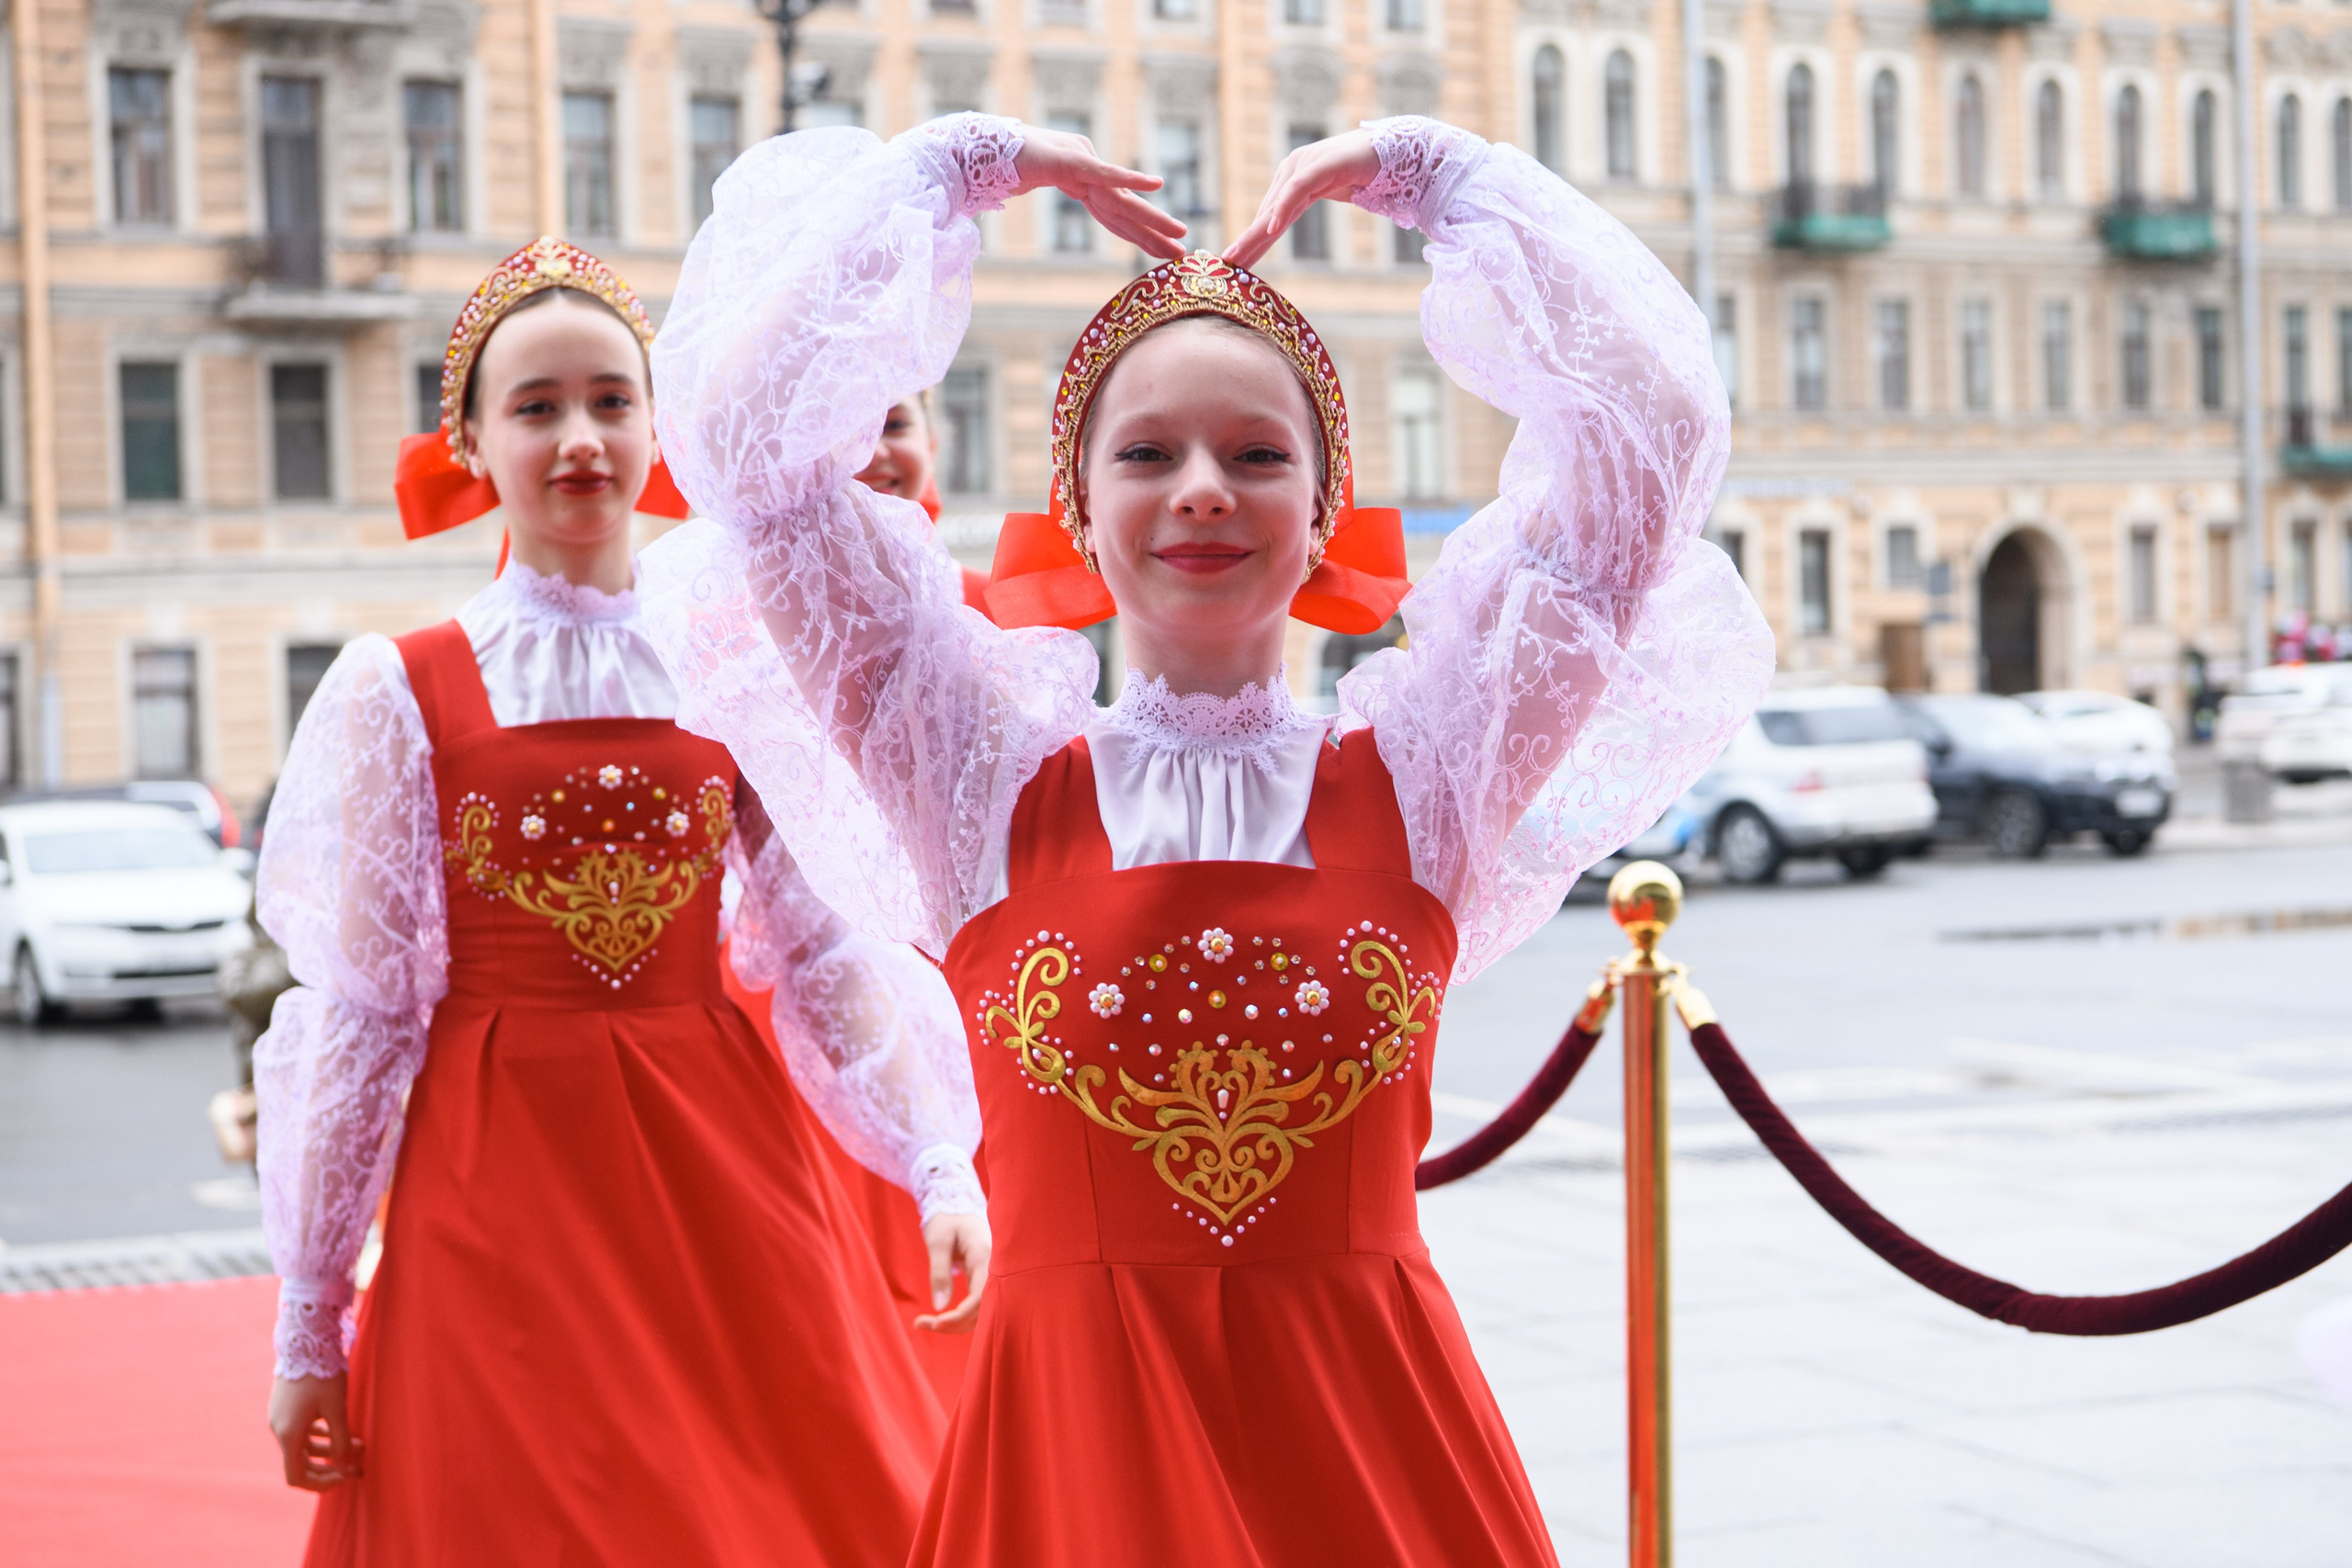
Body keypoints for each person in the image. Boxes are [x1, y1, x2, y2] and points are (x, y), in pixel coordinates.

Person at [640, 115, 1773, 1564]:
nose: (1201, 489)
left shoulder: (1437, 769)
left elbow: (1650, 450)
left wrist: (1446, 181)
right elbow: (752, 462)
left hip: (1371, 1452)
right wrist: (943, 177)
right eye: (1148, 453)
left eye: (1255, 453)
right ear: (1080, 508)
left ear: (1319, 521)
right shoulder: (967, 773)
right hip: (1072, 1463)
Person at [254, 237, 989, 1566]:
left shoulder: (731, 659)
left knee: (773, 1501)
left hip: (723, 1169)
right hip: (497, 1182)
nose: (579, 436)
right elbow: (358, 1025)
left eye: (610, 399)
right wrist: (312, 1321)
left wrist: (934, 1157)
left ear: (658, 426)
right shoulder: (396, 687)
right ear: (472, 443)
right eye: (535, 407)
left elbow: (823, 950)